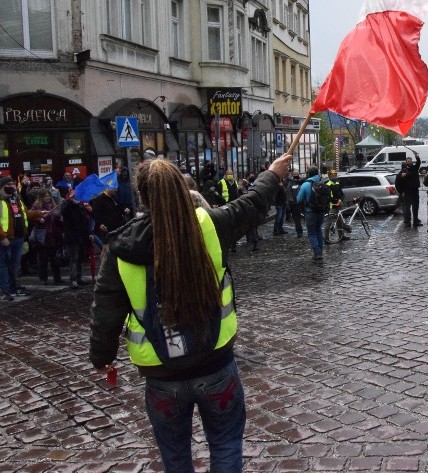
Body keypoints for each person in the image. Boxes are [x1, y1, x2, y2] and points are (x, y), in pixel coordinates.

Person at [89, 154, 291, 473]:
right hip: (215, 363)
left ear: (142, 195)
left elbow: (106, 310)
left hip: (160, 373)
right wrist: (272, 173)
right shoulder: (209, 223)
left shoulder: (120, 247)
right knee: (225, 445)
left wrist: (102, 357)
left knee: (176, 458)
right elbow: (252, 204)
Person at [0, 175, 31, 301]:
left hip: (18, 237)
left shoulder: (16, 199)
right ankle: (5, 290)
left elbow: (25, 213)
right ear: (2, 187)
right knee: (4, 265)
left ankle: (13, 286)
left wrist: (39, 214)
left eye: (13, 184)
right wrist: (2, 237)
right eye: (9, 185)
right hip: (5, 238)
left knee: (15, 264)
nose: (12, 187)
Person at [27, 189, 63, 286]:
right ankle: (43, 278)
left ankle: (57, 278)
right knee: (43, 259)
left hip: (53, 235)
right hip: (42, 236)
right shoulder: (37, 206)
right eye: (45, 196)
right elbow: (30, 216)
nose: (47, 198)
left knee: (55, 259)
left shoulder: (54, 206)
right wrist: (39, 219)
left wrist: (59, 219)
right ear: (41, 197)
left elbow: (57, 220)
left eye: (48, 196)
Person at [59, 187, 93, 289]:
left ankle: (79, 276)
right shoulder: (67, 207)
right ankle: (73, 279)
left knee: (80, 258)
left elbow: (85, 222)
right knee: (74, 258)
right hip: (72, 236)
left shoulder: (80, 207)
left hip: (81, 236)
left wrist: (89, 233)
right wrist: (69, 201)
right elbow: (63, 211)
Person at [296, 167, 326, 260]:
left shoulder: (305, 185)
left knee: (312, 233)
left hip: (310, 211)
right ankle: (320, 250)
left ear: (308, 174)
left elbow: (298, 199)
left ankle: (317, 253)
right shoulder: (323, 182)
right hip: (321, 211)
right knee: (319, 230)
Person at [397, 149, 423, 227]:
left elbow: (418, 162)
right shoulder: (404, 170)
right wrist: (402, 191)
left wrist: (416, 156)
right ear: (406, 162)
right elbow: (399, 180)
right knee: (407, 208)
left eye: (410, 161)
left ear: (412, 161)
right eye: (408, 161)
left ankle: (415, 221)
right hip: (407, 191)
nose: (409, 162)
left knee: (415, 207)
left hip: (415, 190)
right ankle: (407, 222)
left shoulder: (415, 168)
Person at [288, 173, 304, 238]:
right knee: (297, 219)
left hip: (302, 203)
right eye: (295, 174)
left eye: (297, 174)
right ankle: (299, 232)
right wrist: (291, 201)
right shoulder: (291, 183)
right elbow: (289, 193)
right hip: (294, 204)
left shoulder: (301, 182)